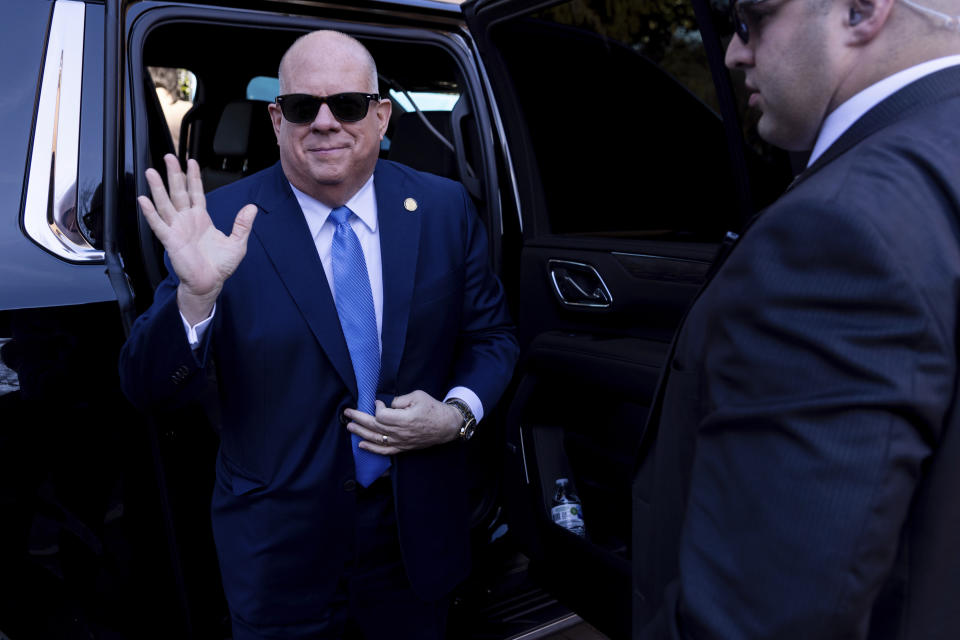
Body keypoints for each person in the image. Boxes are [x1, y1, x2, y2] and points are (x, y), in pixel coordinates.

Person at [118, 30, 518, 640]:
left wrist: (456, 415)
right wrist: (196, 295)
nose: (325, 123)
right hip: (279, 552)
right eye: (304, 107)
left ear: (381, 116)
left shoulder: (442, 207)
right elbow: (148, 388)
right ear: (278, 120)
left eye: (348, 105)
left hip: (412, 538)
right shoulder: (221, 224)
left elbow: (492, 339)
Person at [634, 0, 960, 637]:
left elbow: (760, 620)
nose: (733, 52)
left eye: (752, 16)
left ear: (861, 10)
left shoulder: (837, 231)